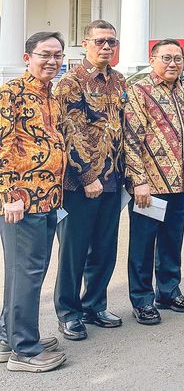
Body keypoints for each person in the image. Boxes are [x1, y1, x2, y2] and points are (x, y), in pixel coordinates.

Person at [54, 20, 126, 342]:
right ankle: (69, 313)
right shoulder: (71, 83)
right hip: (81, 184)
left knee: (105, 249)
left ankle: (94, 304)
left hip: (113, 180)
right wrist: (87, 176)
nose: (106, 46)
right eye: (100, 41)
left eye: (111, 41)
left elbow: (125, 128)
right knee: (74, 250)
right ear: (85, 43)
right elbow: (71, 132)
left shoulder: (120, 81)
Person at [0, 32, 67, 372]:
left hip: (48, 198)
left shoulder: (50, 95)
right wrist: (10, 195)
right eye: (45, 54)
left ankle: (9, 336)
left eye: (57, 55)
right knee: (26, 271)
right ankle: (24, 351)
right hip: (21, 201)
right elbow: (3, 145)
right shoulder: (11, 92)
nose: (52, 61)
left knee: (28, 271)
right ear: (28, 57)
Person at [124, 39, 184, 325]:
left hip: (179, 183)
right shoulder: (140, 90)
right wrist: (139, 181)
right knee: (143, 244)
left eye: (178, 59)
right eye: (166, 58)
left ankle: (168, 291)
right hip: (151, 187)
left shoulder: (183, 90)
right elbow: (131, 138)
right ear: (152, 59)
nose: (172, 64)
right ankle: (142, 299)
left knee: (171, 241)